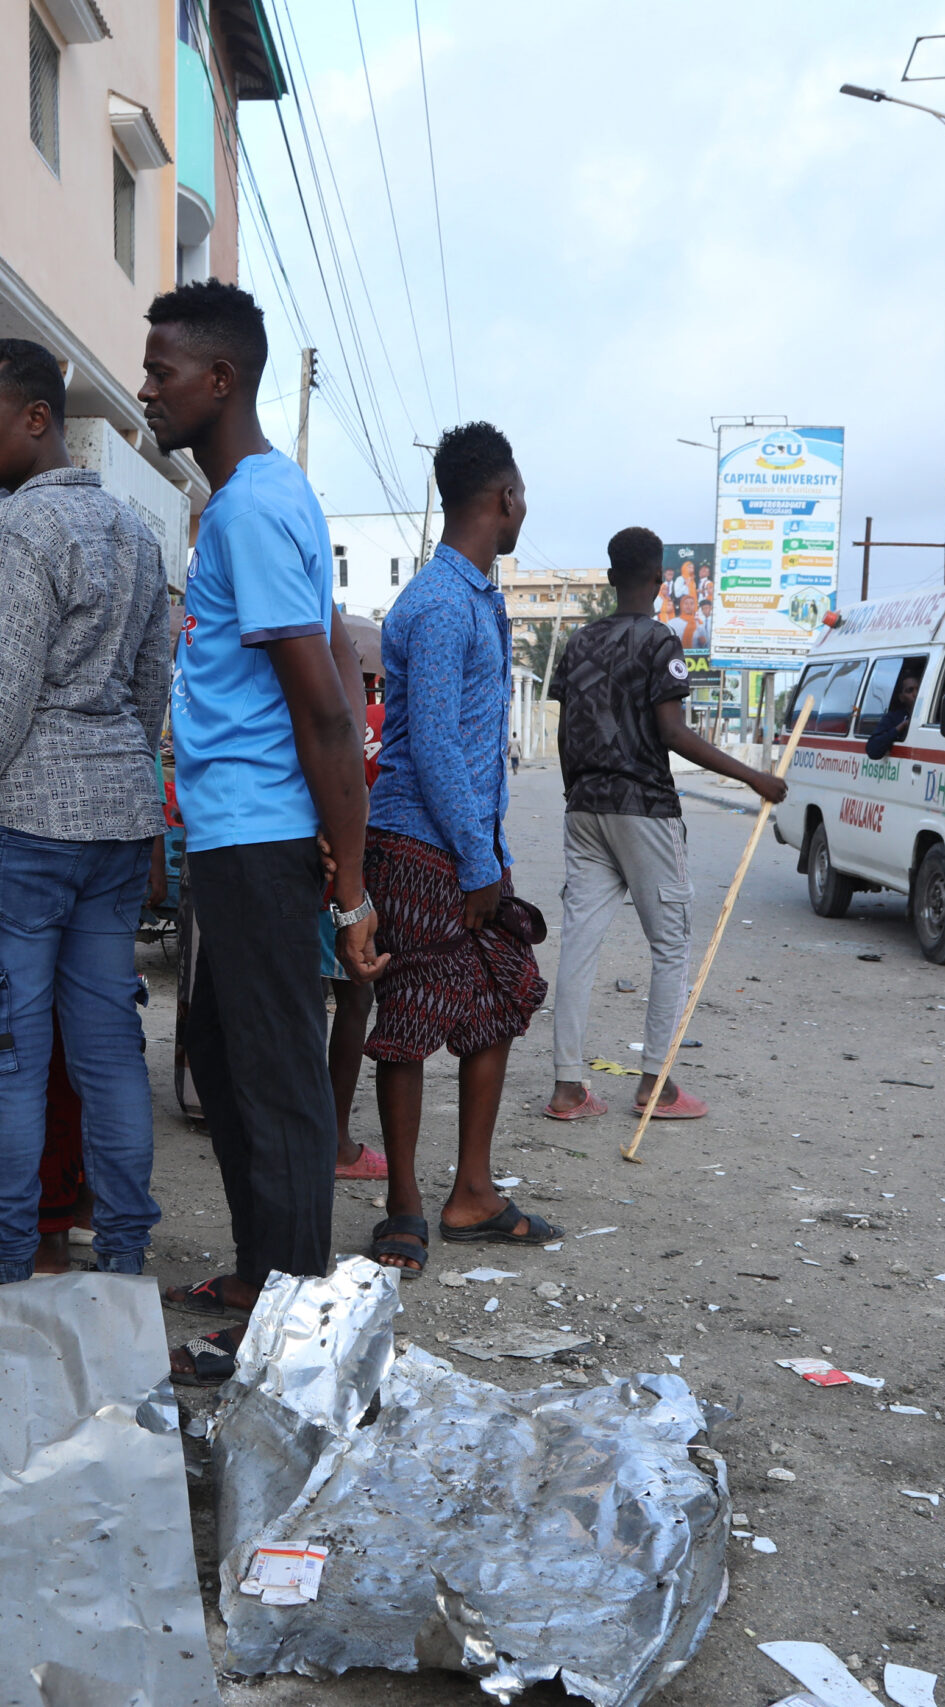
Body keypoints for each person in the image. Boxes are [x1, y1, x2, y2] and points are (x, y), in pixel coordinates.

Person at [137, 280, 382, 1380]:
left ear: (219, 381)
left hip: (260, 839)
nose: (147, 391)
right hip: (232, 833)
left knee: (277, 1080)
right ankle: (255, 1276)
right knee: (229, 1065)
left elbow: (328, 705)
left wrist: (352, 883)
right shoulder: (247, 500)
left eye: (161, 373)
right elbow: (325, 650)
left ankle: (286, 1337)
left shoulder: (249, 507)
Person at [0, 338, 174, 1288]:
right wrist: (133, 797)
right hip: (111, 820)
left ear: (35, 419)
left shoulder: (17, 537)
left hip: (23, 829)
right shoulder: (136, 533)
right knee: (107, 1048)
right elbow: (151, 684)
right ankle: (126, 1256)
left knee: (9, 1059)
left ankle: (12, 1260)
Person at [359, 422, 557, 1279]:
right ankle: (405, 1202)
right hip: (417, 841)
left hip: (468, 841)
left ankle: (471, 1190)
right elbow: (435, 746)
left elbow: (469, 749)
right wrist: (479, 862)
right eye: (522, 494)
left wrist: (492, 852)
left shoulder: (475, 595)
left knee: (503, 991)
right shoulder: (441, 603)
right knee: (407, 1018)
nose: (524, 509)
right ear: (502, 497)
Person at [543, 526, 789, 1125]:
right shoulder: (660, 641)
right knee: (672, 945)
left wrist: (577, 788)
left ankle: (568, 1090)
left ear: (608, 578)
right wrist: (755, 777)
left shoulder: (577, 643)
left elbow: (565, 727)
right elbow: (672, 733)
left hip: (585, 808)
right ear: (658, 582)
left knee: (578, 943)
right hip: (645, 810)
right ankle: (657, 1085)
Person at [328, 617, 388, 1182]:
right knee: (353, 1003)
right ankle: (338, 1140)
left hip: (307, 870)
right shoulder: (388, 721)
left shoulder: (311, 717)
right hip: (357, 886)